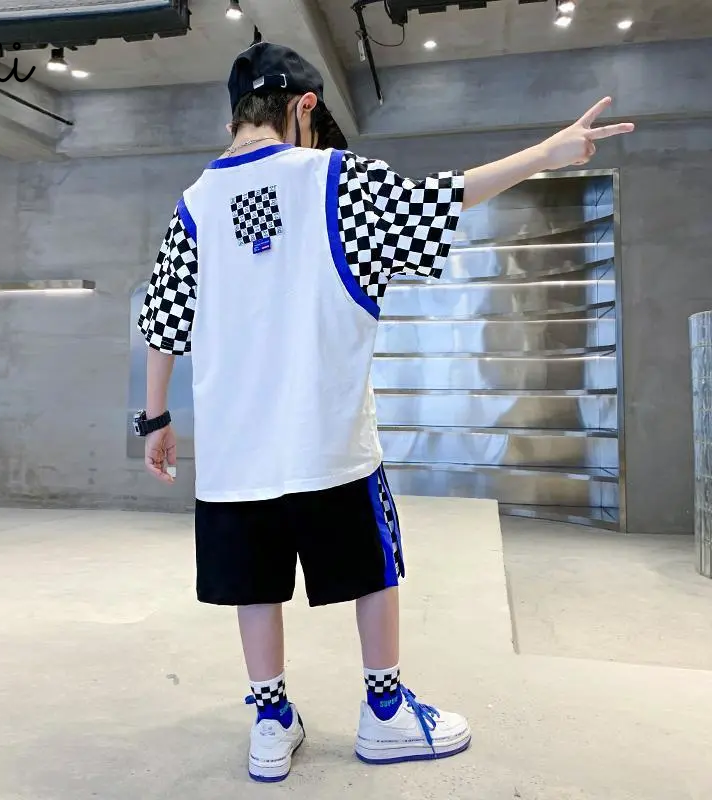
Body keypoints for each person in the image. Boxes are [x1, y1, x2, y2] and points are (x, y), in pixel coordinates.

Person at [135, 42, 634, 783]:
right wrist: (549, 152)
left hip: (237, 457)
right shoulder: (336, 179)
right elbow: (444, 198)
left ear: (237, 112)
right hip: (329, 443)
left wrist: (155, 421)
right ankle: (386, 712)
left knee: (254, 585)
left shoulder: (195, 204)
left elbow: (161, 321)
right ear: (305, 106)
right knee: (373, 572)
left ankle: (270, 725)